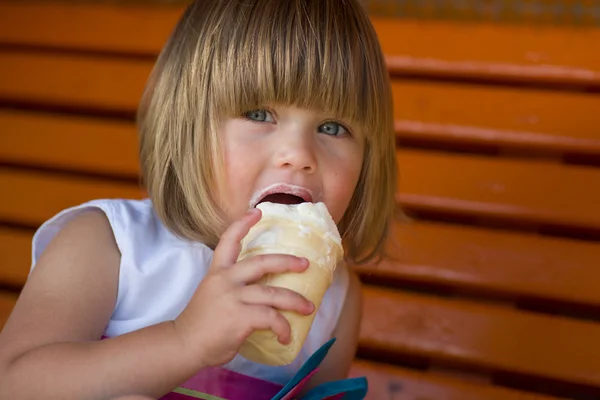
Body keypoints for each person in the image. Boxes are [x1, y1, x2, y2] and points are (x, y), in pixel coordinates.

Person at [0, 0, 397, 398]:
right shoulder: (107, 246)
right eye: (258, 114)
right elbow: (12, 383)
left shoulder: (335, 301)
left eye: (332, 126)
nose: (298, 154)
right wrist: (183, 341)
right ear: (187, 126)